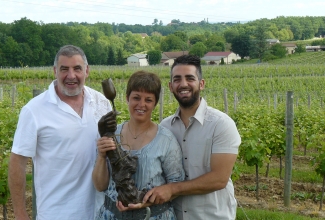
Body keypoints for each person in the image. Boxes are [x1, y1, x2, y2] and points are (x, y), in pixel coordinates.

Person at [8, 45, 112, 220]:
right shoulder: (34, 110)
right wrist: (20, 214)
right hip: (56, 213)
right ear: (55, 71)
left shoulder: (101, 102)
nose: (71, 76)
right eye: (64, 69)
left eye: (77, 69)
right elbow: (17, 163)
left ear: (87, 71)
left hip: (100, 212)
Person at [142, 55, 241, 220]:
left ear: (201, 84)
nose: (183, 84)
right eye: (177, 79)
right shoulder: (165, 127)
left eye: (190, 78)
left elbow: (219, 179)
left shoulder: (221, 124)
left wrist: (173, 189)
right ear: (171, 86)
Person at [92, 70, 185, 220]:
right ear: (127, 98)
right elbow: (100, 186)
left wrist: (145, 202)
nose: (141, 104)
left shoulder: (166, 140)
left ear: (155, 103)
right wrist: (102, 155)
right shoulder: (111, 134)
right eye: (136, 97)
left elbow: (175, 186)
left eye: (148, 100)